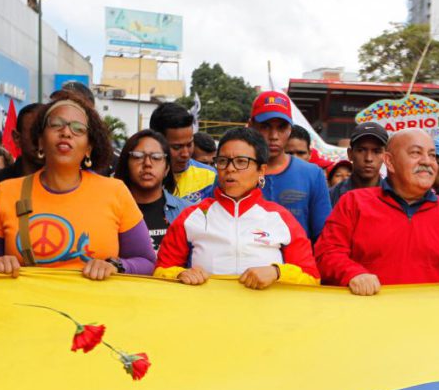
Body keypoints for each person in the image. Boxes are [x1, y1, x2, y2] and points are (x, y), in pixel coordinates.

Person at [0, 91, 155, 280]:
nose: (66, 132)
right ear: (40, 141)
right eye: (56, 124)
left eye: (78, 129)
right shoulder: (6, 192)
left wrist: (116, 266)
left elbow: (146, 261)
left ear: (89, 147)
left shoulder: (115, 191)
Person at [315, 128, 439, 296]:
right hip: (369, 309)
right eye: (416, 153)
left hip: (436, 310)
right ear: (389, 161)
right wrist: (352, 273)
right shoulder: (353, 203)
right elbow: (327, 254)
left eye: (432, 155)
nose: (427, 161)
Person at [154, 127, 319, 288]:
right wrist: (180, 274)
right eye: (223, 161)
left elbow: (311, 277)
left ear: (261, 170)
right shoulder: (192, 216)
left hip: (268, 307)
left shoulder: (281, 218)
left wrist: (277, 272)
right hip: (205, 305)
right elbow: (161, 270)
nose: (230, 168)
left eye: (241, 161)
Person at [249, 91, 331, 241]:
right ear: (251, 126)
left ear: (290, 129)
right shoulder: (232, 172)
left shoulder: (312, 175)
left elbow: (323, 237)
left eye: (281, 127)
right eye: (266, 127)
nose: (274, 136)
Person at [114, 129, 192, 252]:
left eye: (156, 157)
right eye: (138, 156)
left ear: (167, 168)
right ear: (126, 165)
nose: (147, 163)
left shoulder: (188, 212)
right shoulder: (110, 211)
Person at [150, 102, 216, 202]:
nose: (185, 154)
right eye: (177, 147)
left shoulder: (210, 177)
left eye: (189, 144)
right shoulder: (140, 178)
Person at [330, 121, 387, 207]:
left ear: (385, 156)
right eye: (361, 150)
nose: (368, 158)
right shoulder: (331, 196)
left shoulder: (395, 197)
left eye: (376, 151)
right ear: (350, 154)